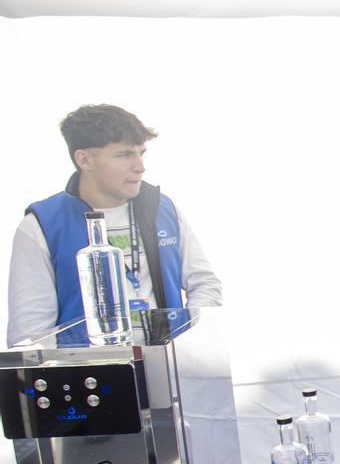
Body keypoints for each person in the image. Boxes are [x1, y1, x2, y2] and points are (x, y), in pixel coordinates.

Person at [7, 104, 222, 346]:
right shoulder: (42, 224)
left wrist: (189, 341)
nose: (140, 166)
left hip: (167, 367)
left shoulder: (162, 208)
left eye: (141, 153)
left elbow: (205, 284)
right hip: (89, 376)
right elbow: (29, 335)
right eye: (124, 155)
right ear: (84, 159)